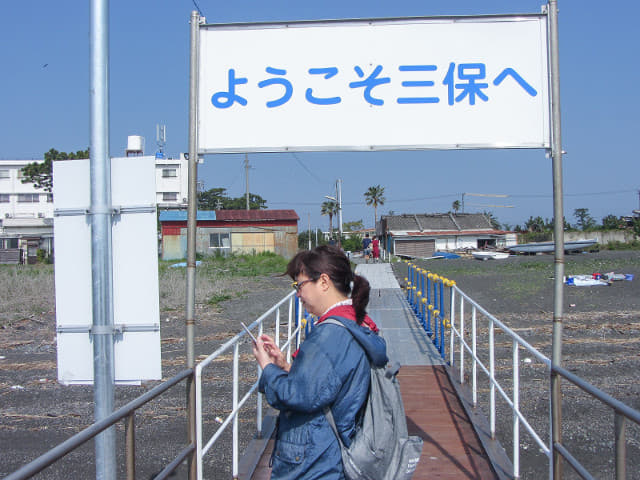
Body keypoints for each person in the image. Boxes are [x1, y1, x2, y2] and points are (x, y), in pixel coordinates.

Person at [252, 245, 388, 479]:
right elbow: (329, 383)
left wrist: (267, 368)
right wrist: (286, 366)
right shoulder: (356, 323)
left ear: (323, 282)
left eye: (300, 285)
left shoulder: (329, 335)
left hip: (316, 458)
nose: (298, 294)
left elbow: (298, 396)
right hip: (338, 446)